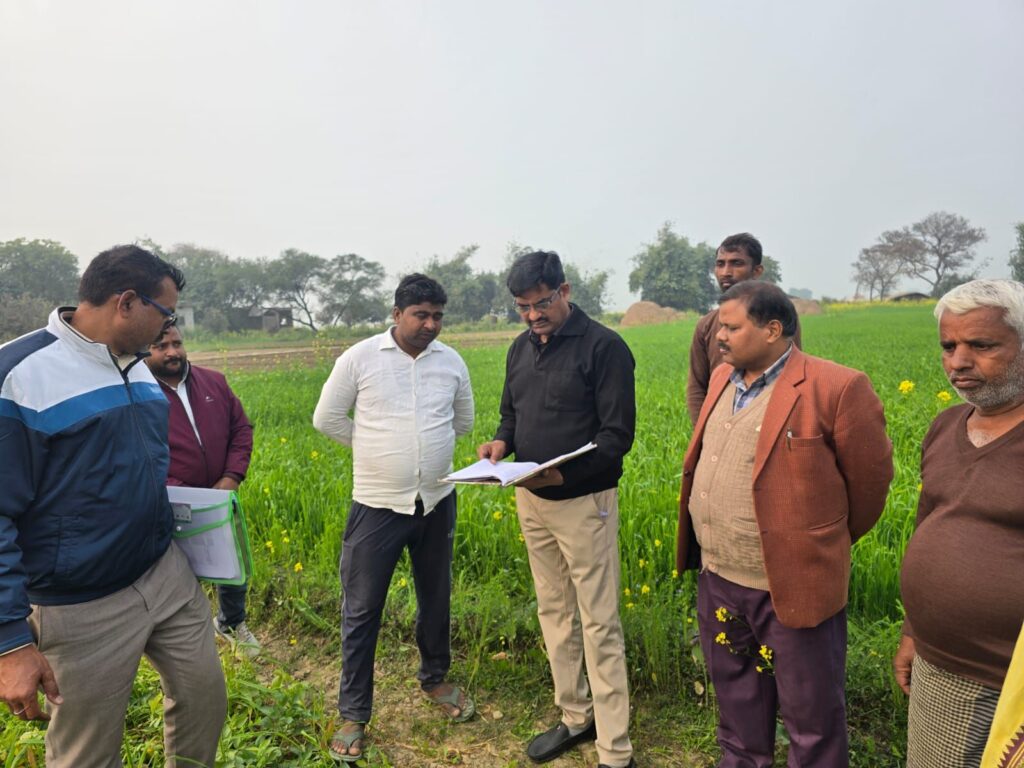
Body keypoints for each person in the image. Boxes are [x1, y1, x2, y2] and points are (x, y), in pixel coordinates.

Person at [0, 245, 226, 767]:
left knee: (204, 700)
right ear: (126, 302)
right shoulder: (19, 376)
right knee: (87, 753)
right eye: (164, 313)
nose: (169, 327)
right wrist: (10, 642)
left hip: (164, 575)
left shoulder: (137, 366)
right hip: (79, 604)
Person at [676, 281, 892, 768]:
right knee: (737, 699)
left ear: (773, 329)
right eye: (720, 326)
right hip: (720, 577)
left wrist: (817, 543)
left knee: (810, 714)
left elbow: (869, 485)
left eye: (732, 327)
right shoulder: (721, 379)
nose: (719, 337)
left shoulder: (835, 387)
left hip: (793, 583)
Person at [477, 251, 636, 768]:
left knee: (599, 622)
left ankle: (615, 750)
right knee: (554, 612)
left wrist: (563, 476)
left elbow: (616, 438)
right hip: (531, 499)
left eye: (540, 303)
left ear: (564, 290)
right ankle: (575, 716)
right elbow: (511, 415)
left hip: (584, 505)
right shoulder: (520, 349)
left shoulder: (605, 348)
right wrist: (501, 445)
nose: (532, 315)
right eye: (522, 307)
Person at [312, 274, 475, 763]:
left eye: (437, 316)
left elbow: (463, 422)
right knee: (362, 610)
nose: (431, 324)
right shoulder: (360, 358)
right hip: (376, 505)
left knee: (436, 596)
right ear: (397, 314)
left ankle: (435, 679)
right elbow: (327, 418)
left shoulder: (451, 362)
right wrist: (373, 446)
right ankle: (353, 713)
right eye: (421, 315)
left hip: (437, 500)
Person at [893, 279, 1024, 768]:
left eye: (982, 345)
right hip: (940, 667)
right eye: (949, 346)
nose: (959, 362)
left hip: (1008, 680)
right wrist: (913, 630)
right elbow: (929, 517)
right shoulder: (946, 426)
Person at [146, 324, 259, 657]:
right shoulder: (139, 394)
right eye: (161, 346)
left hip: (222, 497)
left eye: (177, 343)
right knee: (180, 573)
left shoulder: (213, 382)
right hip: (173, 504)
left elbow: (241, 430)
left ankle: (231, 623)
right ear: (143, 351)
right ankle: (190, 640)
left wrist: (231, 477)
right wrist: (187, 495)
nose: (172, 352)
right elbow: (141, 456)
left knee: (232, 565)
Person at [687, 233, 802, 425]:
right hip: (720, 426)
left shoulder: (777, 319)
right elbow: (697, 387)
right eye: (720, 264)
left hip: (769, 422)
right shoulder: (706, 325)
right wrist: (703, 431)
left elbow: (795, 377)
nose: (726, 272)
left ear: (757, 271)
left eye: (736, 263)